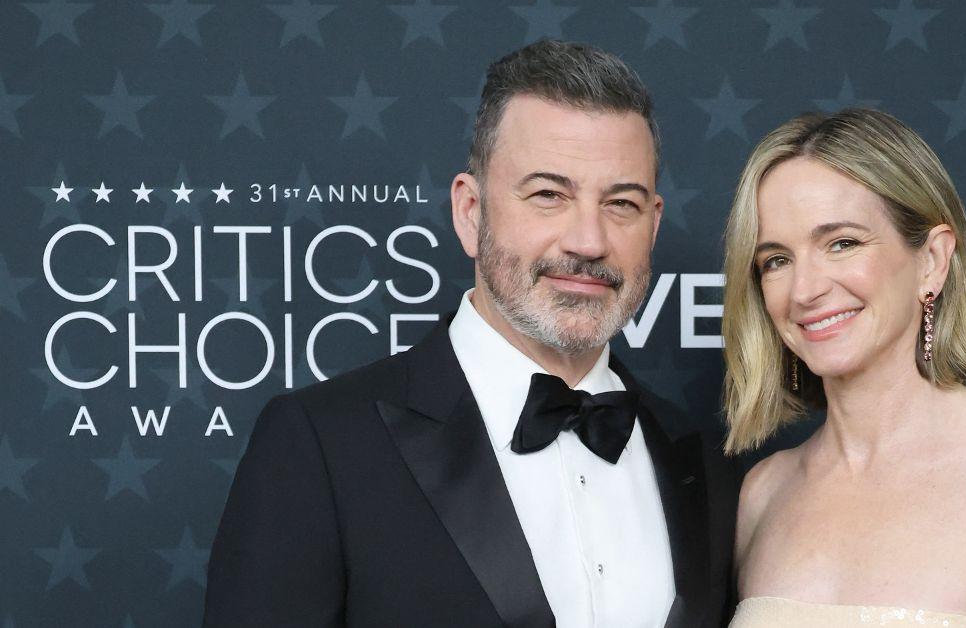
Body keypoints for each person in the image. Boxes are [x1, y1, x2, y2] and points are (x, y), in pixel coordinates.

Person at [202, 40, 739, 627]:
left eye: (621, 203)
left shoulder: (704, 460)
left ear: (653, 225)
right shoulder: (321, 445)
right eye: (548, 195)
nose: (588, 241)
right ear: (470, 211)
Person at [721, 109, 966, 627]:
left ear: (932, 260)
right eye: (776, 260)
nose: (805, 290)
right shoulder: (763, 493)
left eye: (842, 243)